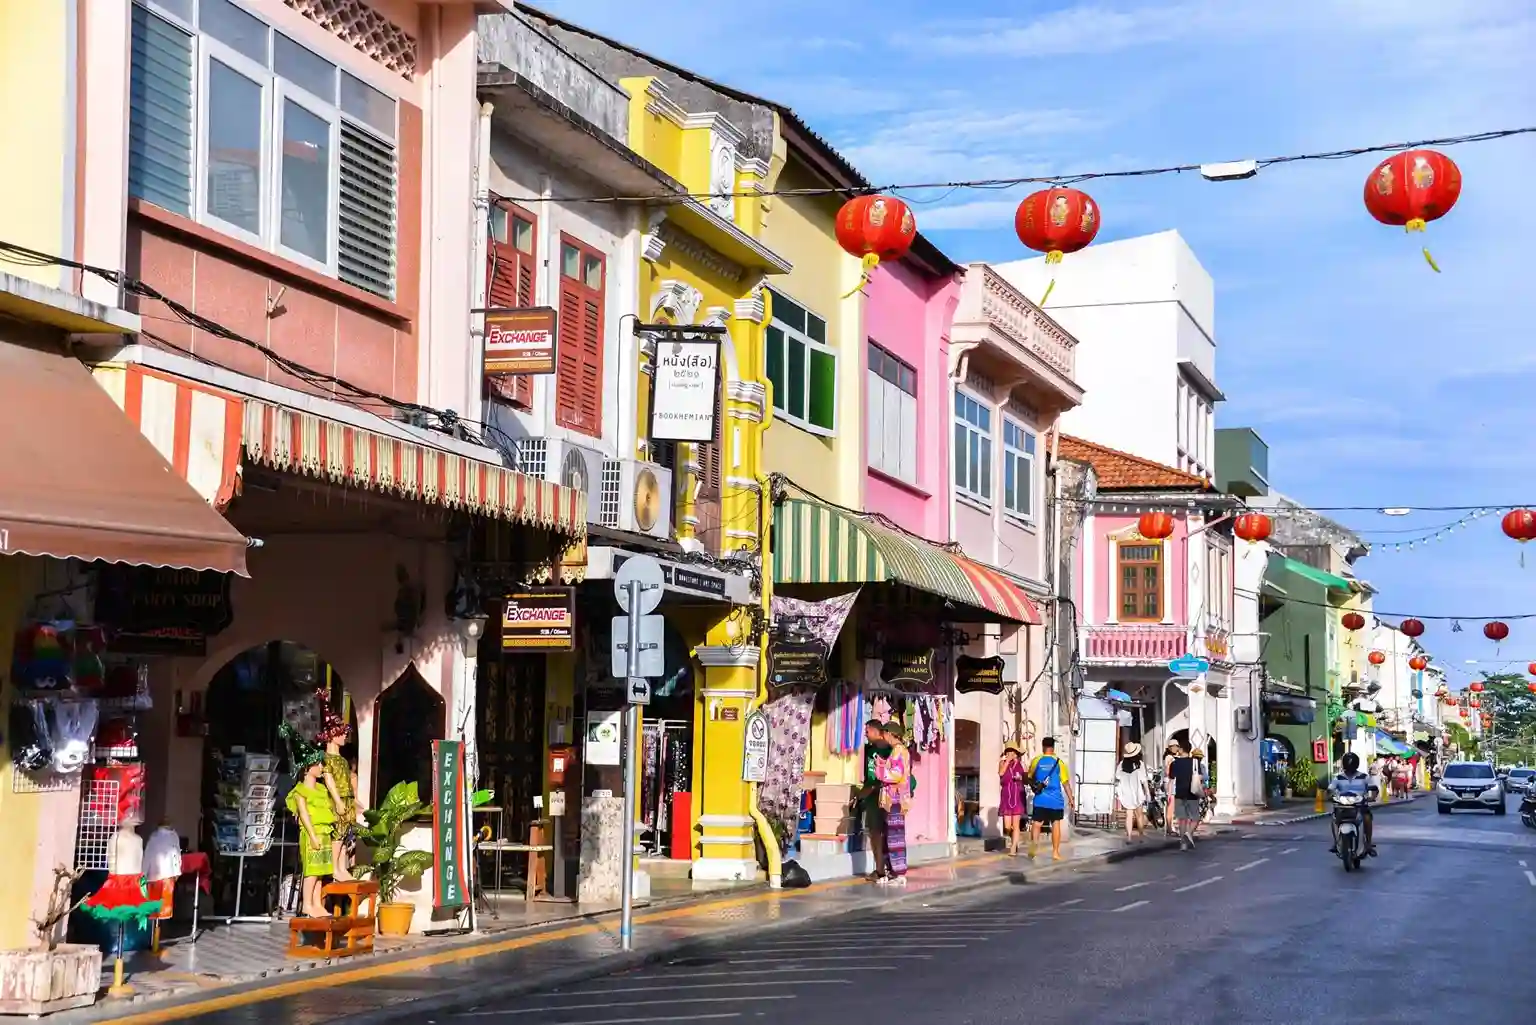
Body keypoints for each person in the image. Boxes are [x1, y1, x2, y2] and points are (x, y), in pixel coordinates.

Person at [875, 721, 912, 885]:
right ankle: (892, 872)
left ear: (891, 734)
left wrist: (880, 770)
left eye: (885, 734)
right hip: (895, 799)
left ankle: (898, 873)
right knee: (890, 835)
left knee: (894, 836)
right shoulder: (899, 751)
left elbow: (897, 774)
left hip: (895, 799)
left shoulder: (898, 751)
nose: (884, 737)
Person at [1027, 737, 1075, 861]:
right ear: (1053, 747)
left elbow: (1029, 776)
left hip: (1040, 798)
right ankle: (1055, 853)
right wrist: (1071, 799)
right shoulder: (1059, 762)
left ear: (1043, 747)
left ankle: (1034, 847)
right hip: (1055, 800)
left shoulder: (1036, 760)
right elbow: (1065, 783)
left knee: (1037, 824)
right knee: (1055, 824)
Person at [856, 719, 890, 881]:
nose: (865, 734)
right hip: (891, 798)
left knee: (876, 833)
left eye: (867, 731)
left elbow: (872, 779)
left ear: (876, 731)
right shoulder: (893, 749)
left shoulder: (873, 751)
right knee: (889, 833)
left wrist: (860, 795)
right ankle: (890, 868)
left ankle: (880, 869)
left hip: (876, 797)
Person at [1328, 751, 1378, 856]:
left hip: (1360, 806)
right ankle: (1336, 841)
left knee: (1367, 818)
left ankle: (1368, 843)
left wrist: (1371, 797)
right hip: (1342, 805)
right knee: (1334, 819)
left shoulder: (1364, 777)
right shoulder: (1338, 778)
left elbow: (1374, 788)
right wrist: (1330, 796)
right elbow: (1330, 789)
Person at [1167, 744, 1203, 849]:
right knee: (1195, 817)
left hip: (1179, 793)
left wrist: (1169, 794)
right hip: (1192, 792)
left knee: (1182, 819)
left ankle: (1183, 843)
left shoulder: (1174, 763)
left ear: (1181, 749)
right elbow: (1199, 777)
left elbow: (1171, 779)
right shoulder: (1195, 762)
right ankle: (1189, 833)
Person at [1116, 742, 1150, 842]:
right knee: (1139, 815)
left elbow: (1117, 778)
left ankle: (1129, 837)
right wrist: (1147, 792)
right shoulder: (1139, 764)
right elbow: (1144, 780)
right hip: (1137, 791)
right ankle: (1141, 836)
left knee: (1128, 815)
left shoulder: (1122, 764)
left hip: (1126, 792)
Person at [999, 746, 1028, 856]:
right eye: (1008, 752)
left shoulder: (1022, 765)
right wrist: (1007, 762)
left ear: (1016, 754)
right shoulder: (1002, 763)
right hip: (1006, 795)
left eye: (1012, 752)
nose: (1010, 754)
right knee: (1007, 827)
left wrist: (1021, 778)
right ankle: (1014, 840)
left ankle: (1013, 847)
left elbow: (1026, 780)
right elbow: (1001, 773)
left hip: (1017, 795)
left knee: (1016, 825)